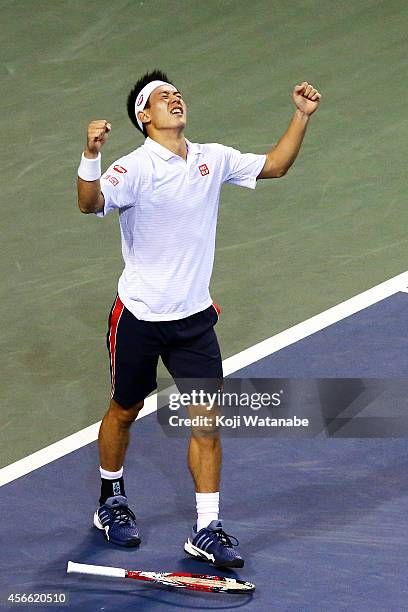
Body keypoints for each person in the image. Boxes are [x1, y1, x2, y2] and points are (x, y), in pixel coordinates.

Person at [76, 69, 321, 567]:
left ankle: (207, 527)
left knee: (207, 423)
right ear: (144, 117)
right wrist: (91, 155)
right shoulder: (133, 167)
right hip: (139, 317)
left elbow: (274, 166)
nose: (174, 98)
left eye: (177, 93)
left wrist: (300, 116)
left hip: (194, 320)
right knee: (125, 410)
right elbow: (90, 203)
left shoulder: (214, 157)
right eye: (162, 97)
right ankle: (111, 500)